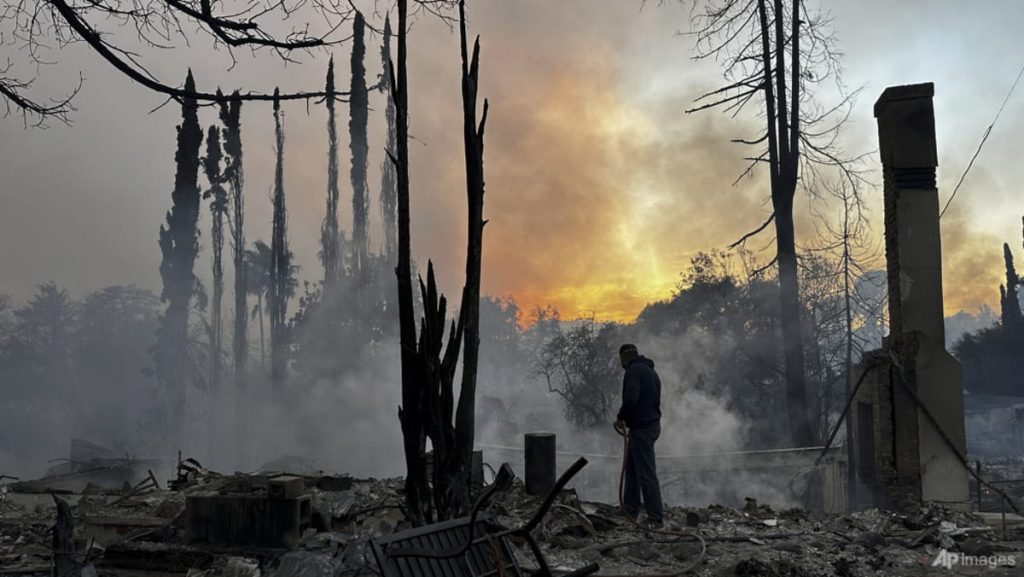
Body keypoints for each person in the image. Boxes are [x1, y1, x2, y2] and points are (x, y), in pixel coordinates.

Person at [614, 343, 664, 529]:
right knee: (632, 470)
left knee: (646, 474)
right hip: (649, 426)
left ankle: (656, 518)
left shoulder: (633, 371)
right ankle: (630, 508)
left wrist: (621, 417)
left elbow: (631, 398)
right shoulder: (651, 372)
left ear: (624, 357)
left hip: (642, 429)